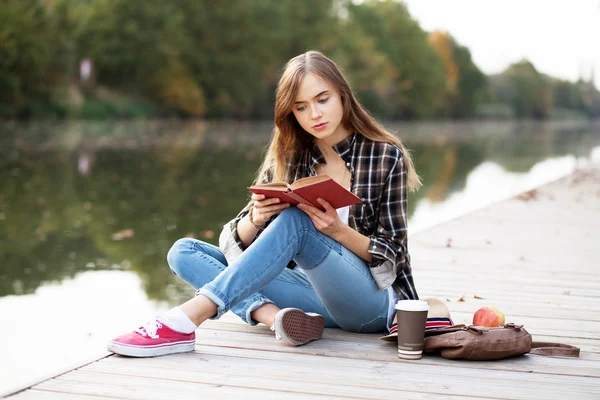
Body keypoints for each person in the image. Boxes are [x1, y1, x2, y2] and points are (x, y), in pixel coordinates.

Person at [108, 50, 421, 357]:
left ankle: (183, 320)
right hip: (311, 300)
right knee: (184, 252)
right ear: (291, 113)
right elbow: (236, 245)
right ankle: (277, 319)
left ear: (342, 95)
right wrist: (255, 219)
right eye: (301, 107)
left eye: (322, 99)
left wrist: (337, 231)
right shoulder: (290, 157)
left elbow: (393, 253)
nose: (315, 114)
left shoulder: (384, 156)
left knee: (298, 222)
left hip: (369, 304)